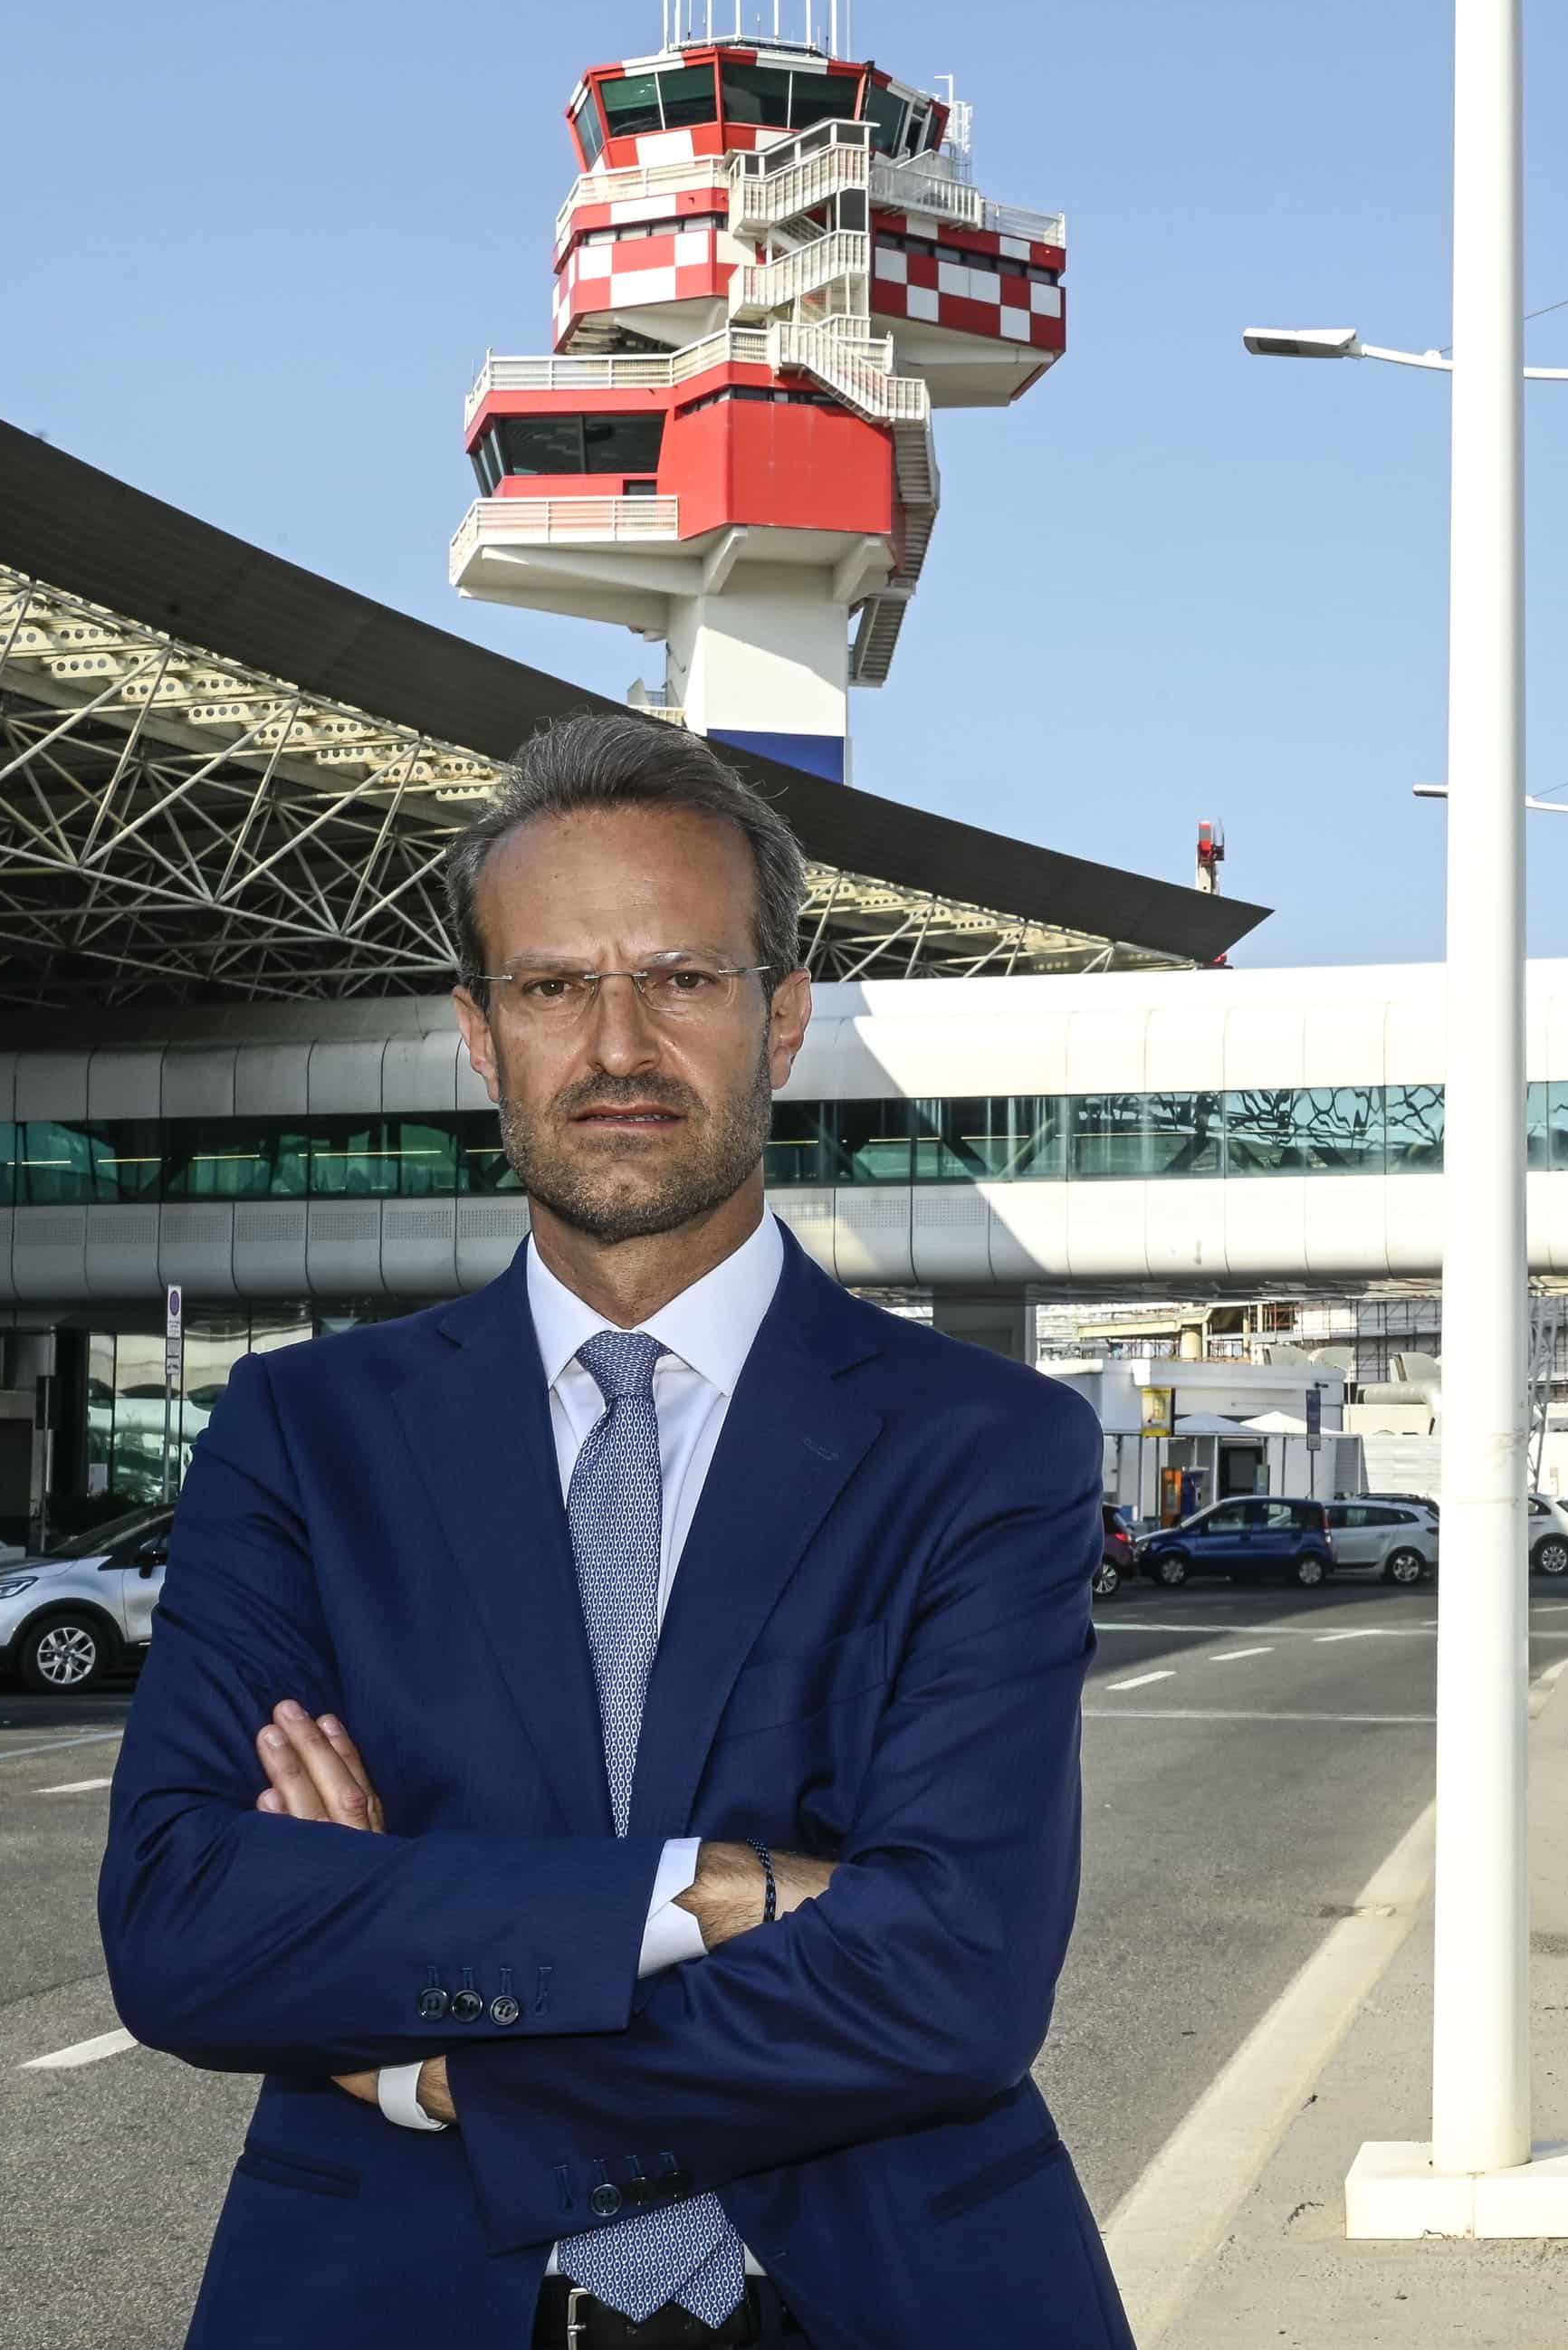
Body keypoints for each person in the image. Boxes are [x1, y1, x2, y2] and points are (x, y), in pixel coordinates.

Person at [98, 712, 1127, 2349]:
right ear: (479, 1032)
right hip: (387, 2301)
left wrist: (439, 2057)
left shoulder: (987, 1445)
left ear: (783, 1019)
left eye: (683, 977)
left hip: (875, 2295)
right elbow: (187, 1926)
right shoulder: (304, 1435)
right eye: (553, 986)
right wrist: (700, 1888)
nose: (619, 1045)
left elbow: (954, 1979)